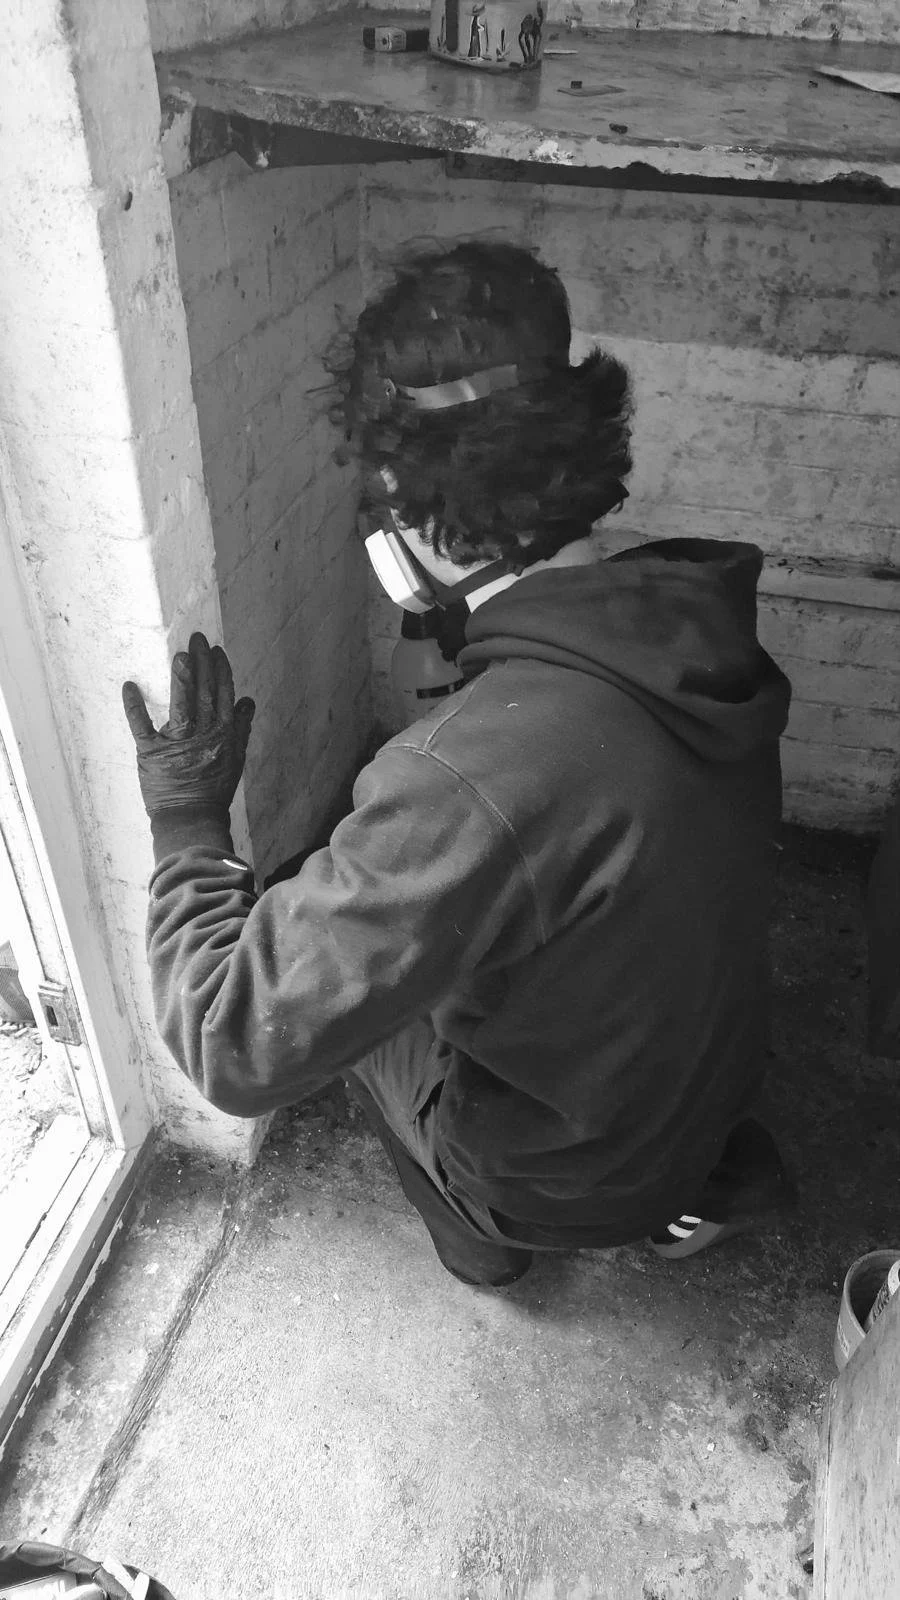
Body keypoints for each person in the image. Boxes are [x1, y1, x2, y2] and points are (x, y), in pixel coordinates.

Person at [122, 242, 794, 1289]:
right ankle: (691, 1186)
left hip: (565, 1173)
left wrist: (186, 825)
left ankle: (486, 1235)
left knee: (326, 970)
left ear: (409, 502)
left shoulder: (465, 777)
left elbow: (232, 1041)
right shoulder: (693, 632)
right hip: (691, 1095)